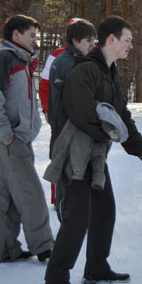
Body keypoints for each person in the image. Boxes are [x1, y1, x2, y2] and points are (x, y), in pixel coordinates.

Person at [42, 16, 142, 284]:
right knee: (77, 217)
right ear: (112, 40)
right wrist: (108, 134)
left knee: (105, 211)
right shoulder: (85, 72)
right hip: (73, 155)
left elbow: (121, 116)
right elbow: (80, 113)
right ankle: (55, 280)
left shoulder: (110, 72)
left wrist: (140, 150)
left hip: (94, 155)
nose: (131, 46)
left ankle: (96, 267)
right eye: (127, 40)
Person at [0, 15, 55, 262]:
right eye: (32, 36)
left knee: (8, 196)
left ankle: (3, 250)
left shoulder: (18, 60)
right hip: (11, 141)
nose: (36, 41)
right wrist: (6, 136)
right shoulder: (3, 58)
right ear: (16, 35)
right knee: (30, 192)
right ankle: (45, 246)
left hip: (17, 139)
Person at [40, 17, 97, 209]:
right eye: (88, 39)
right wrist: (47, 109)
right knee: (63, 161)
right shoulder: (59, 56)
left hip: (68, 122)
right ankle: (61, 204)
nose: (92, 44)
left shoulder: (83, 56)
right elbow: (45, 85)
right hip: (64, 122)